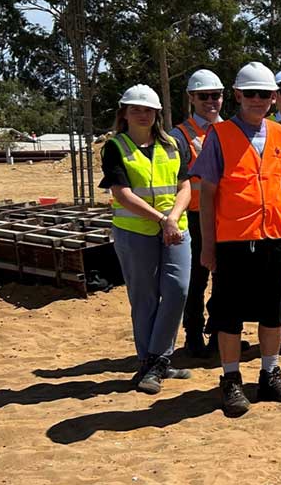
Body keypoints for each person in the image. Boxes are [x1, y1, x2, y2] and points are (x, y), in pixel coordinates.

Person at [192, 61, 281, 417]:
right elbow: (207, 194)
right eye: (250, 93)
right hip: (234, 240)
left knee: (274, 309)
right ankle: (231, 379)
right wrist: (208, 246)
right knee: (228, 313)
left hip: (275, 236)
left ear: (274, 98)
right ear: (237, 95)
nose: (258, 99)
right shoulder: (219, 136)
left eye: (265, 94)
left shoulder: (280, 134)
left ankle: (269, 374)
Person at [103, 84, 193, 394]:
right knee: (144, 298)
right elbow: (122, 195)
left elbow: (185, 186)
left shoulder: (172, 144)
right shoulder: (116, 147)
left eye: (148, 110)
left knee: (178, 290)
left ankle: (156, 362)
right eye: (136, 109)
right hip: (136, 233)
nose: (143, 115)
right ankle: (152, 363)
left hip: (175, 229)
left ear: (158, 114)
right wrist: (161, 220)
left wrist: (172, 219)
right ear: (124, 114)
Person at [171, 68, 224, 359]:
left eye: (215, 96)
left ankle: (218, 334)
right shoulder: (181, 136)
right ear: (192, 98)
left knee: (223, 280)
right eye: (204, 96)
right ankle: (193, 335)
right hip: (194, 217)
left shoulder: (229, 129)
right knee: (196, 280)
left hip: (224, 216)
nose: (211, 102)